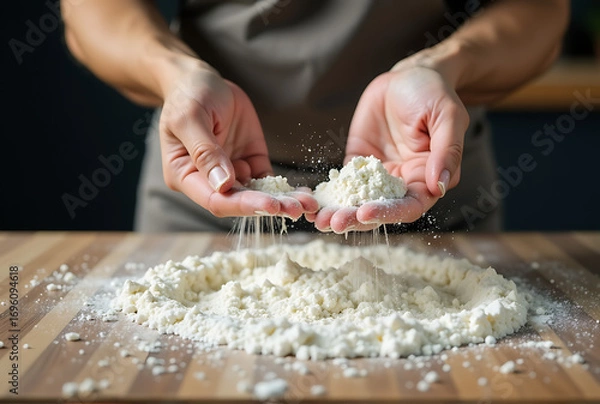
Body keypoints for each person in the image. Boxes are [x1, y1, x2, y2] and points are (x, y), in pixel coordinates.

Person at [61, 0, 569, 233]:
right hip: (212, 190)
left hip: (424, 186)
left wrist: (442, 66)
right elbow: (91, 13)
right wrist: (175, 75)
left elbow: (542, 13)